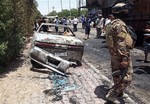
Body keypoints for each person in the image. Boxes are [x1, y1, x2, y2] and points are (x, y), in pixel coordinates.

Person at [105, 2, 134, 103]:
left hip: (113, 54)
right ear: (121, 12)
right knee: (127, 76)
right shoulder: (120, 25)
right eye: (126, 11)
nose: (127, 12)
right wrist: (124, 58)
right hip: (120, 55)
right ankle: (113, 94)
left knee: (117, 75)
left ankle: (120, 93)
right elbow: (121, 42)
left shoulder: (110, 24)